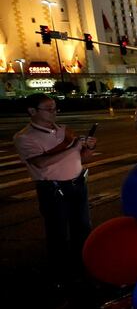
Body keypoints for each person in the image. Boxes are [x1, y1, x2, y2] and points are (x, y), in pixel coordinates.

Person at [14, 93, 97, 286]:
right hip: (53, 189)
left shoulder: (65, 131)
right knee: (58, 232)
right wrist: (73, 147)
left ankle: (83, 265)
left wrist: (89, 148)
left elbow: (83, 158)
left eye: (55, 108)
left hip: (77, 184)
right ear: (32, 111)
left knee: (83, 227)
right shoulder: (24, 137)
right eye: (48, 109)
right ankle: (61, 274)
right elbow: (41, 163)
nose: (54, 112)